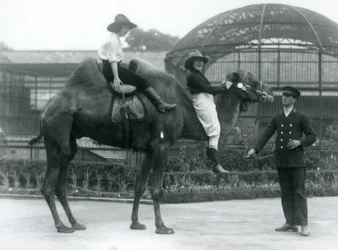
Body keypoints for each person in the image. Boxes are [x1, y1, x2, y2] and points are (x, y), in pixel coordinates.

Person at [246, 86, 317, 237]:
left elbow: (312, 136)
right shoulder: (277, 117)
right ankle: (290, 222)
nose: (284, 97)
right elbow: (266, 134)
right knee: (286, 193)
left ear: (294, 99)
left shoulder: (301, 117)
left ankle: (303, 224)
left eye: (288, 95)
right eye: (283, 95)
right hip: (282, 160)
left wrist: (300, 142)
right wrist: (255, 149)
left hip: (297, 161)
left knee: (299, 192)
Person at [98, 14, 176, 113]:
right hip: (112, 70)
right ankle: (160, 103)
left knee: (134, 77)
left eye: (128, 28)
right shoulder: (114, 40)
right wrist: (116, 78)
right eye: (125, 28)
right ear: (118, 27)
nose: (127, 30)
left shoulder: (112, 38)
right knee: (142, 81)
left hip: (111, 69)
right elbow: (112, 60)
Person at [185, 49, 233, 174]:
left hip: (207, 100)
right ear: (191, 63)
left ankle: (212, 162)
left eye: (201, 61)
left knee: (215, 131)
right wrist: (224, 87)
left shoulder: (198, 75)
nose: (199, 63)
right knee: (214, 130)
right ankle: (216, 164)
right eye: (196, 61)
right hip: (202, 101)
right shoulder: (192, 76)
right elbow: (209, 89)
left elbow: (208, 89)